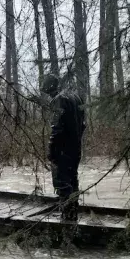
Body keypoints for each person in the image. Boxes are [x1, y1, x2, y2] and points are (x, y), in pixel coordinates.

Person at [42, 74, 85, 221]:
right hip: (76, 147)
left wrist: (51, 150)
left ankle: (67, 219)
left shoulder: (58, 100)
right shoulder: (76, 97)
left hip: (63, 149)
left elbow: (57, 128)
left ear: (49, 87)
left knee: (62, 182)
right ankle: (73, 214)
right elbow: (83, 124)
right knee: (73, 179)